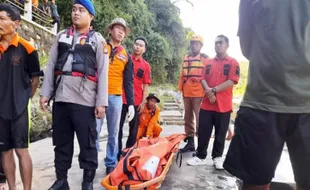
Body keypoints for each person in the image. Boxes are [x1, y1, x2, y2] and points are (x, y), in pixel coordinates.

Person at [224, 1, 310, 190]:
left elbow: (248, 46)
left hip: (264, 99)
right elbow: (248, 46)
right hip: (261, 102)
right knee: (254, 183)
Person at [40, 0, 109, 189]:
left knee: (87, 144)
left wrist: (101, 102)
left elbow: (103, 72)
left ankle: (87, 181)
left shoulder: (98, 40)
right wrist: (45, 93)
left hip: (85, 100)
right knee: (61, 143)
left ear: (91, 16)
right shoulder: (61, 36)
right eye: (73, 10)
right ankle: (61, 180)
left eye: (81, 10)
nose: (76, 13)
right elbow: (51, 65)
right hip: (61, 98)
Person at [0, 4, 41, 190]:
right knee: (5, 151)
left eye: (2, 18)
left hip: (18, 109)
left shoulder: (28, 49)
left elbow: (35, 79)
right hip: (0, 110)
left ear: (15, 23)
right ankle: (12, 188)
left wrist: (24, 99)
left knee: (21, 150)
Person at [187, 35, 240, 170]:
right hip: (207, 104)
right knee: (204, 131)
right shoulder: (209, 62)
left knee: (220, 134)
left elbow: (232, 80)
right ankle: (200, 156)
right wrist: (209, 92)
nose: (217, 45)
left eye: (220, 43)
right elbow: (203, 78)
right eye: (216, 43)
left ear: (227, 45)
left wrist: (214, 90)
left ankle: (217, 158)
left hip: (223, 105)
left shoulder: (233, 62)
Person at [96, 17, 134, 175]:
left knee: (114, 132)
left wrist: (131, 103)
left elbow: (128, 82)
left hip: (116, 98)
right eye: (117, 28)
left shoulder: (126, 55)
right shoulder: (100, 46)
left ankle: (110, 162)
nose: (120, 32)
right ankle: (90, 161)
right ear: (110, 30)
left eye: (123, 30)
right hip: (98, 96)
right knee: (94, 130)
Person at [118, 36, 152, 158]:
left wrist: (143, 102)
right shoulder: (125, 59)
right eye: (136, 44)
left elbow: (146, 85)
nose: (138, 47)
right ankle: (117, 152)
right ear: (133, 45)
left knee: (133, 129)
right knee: (118, 127)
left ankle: (128, 152)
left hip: (137, 100)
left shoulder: (146, 66)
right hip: (121, 98)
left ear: (144, 49)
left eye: (141, 45)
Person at [177, 35, 209, 152]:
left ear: (201, 46)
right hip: (187, 91)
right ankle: (190, 143)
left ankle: (201, 146)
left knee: (200, 119)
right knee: (188, 118)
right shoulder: (186, 57)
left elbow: (208, 75)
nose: (194, 45)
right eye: (193, 43)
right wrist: (179, 91)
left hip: (199, 92)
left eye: (197, 43)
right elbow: (182, 75)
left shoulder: (206, 59)